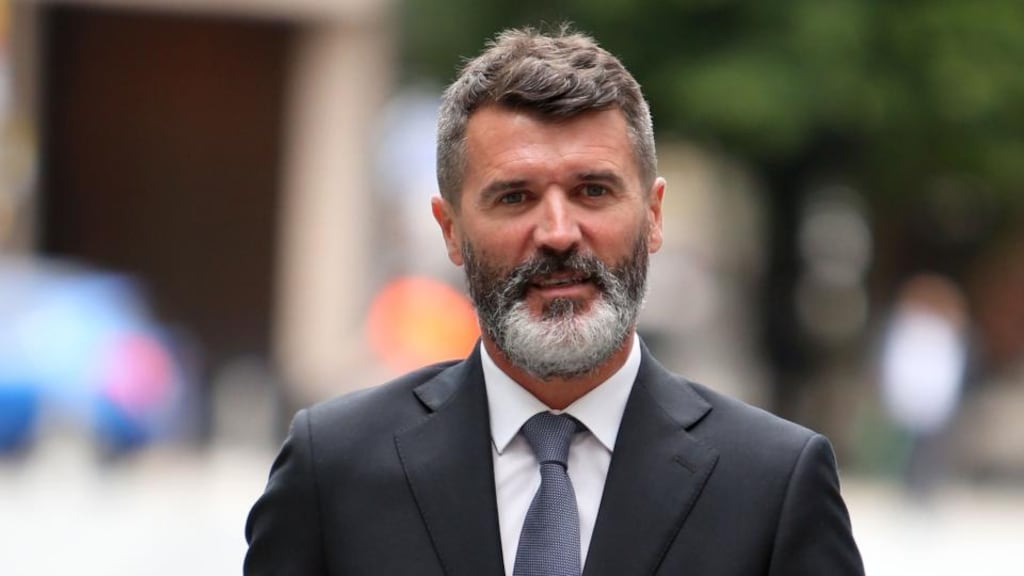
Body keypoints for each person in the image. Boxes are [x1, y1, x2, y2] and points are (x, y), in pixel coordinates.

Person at [244, 26, 864, 576]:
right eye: (514, 197)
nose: (559, 232)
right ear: (450, 230)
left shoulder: (775, 484)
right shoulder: (333, 469)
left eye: (593, 190)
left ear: (652, 216)